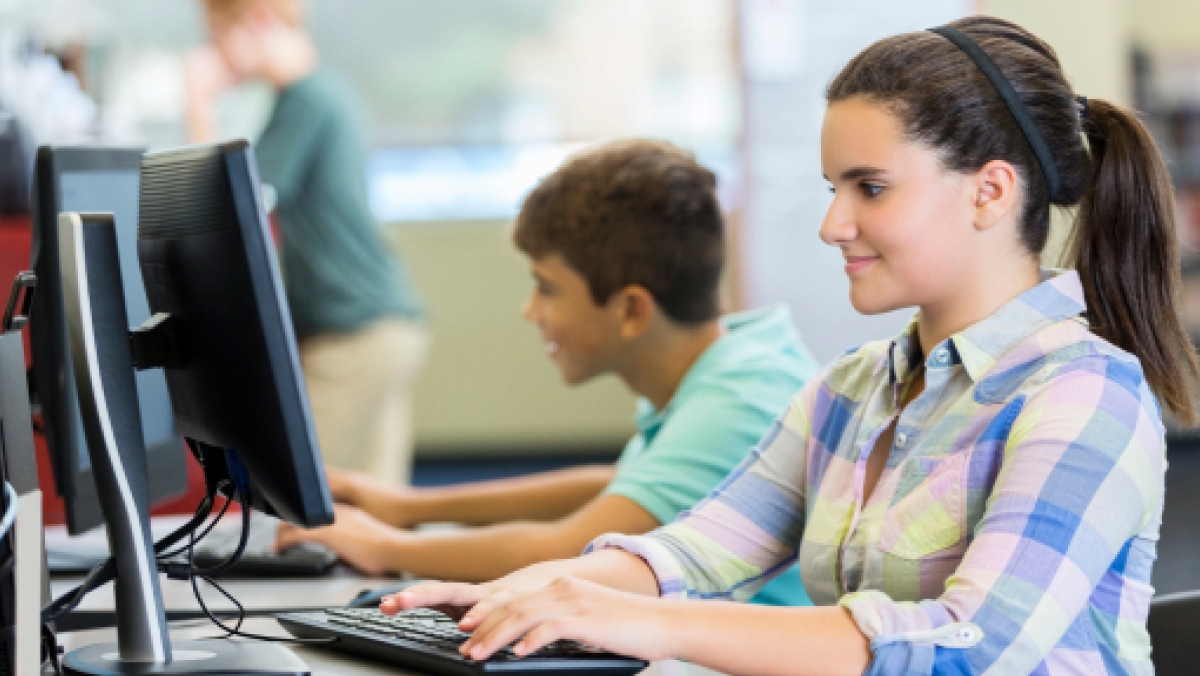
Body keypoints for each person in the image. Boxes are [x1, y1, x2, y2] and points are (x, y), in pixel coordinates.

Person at [384, 16, 1200, 676]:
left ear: (990, 191)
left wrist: (643, 625)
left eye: (869, 188)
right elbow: (690, 552)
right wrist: (520, 594)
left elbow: (970, 644)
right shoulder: (851, 391)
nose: (831, 225)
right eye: (832, 188)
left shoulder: (1086, 394)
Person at [275, 139, 820, 607]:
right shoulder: (737, 360)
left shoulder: (738, 400)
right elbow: (623, 488)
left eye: (548, 287)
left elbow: (570, 547)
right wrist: (408, 506)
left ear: (631, 310)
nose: (531, 311)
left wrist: (386, 547)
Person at [186, 0, 428, 485]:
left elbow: (233, 206)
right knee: (372, 506)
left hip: (352, 331)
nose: (215, 52)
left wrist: (197, 107)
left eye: (218, 35)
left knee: (293, 493)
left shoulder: (306, 101)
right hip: (383, 324)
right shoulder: (319, 94)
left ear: (257, 23)